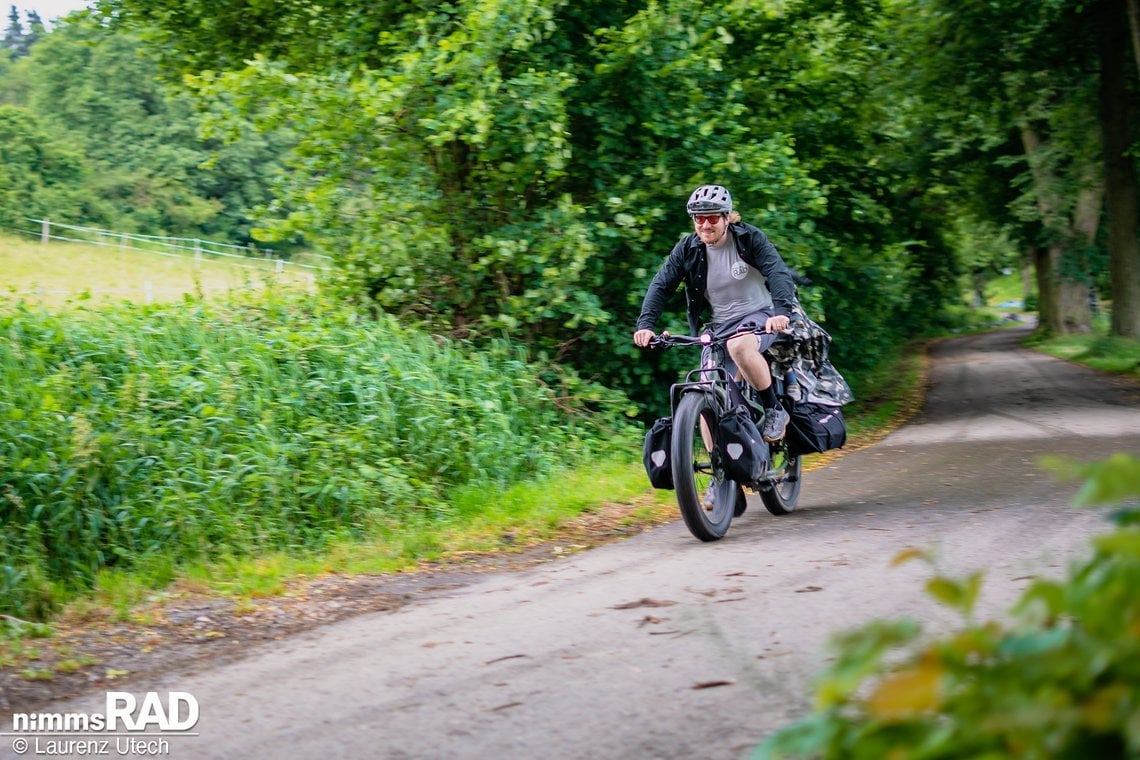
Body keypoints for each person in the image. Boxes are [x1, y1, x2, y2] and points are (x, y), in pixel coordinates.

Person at [633, 184, 796, 443]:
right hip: (719, 326)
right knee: (706, 393)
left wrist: (781, 312)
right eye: (699, 218)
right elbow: (661, 284)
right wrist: (646, 325)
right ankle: (718, 476)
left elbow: (777, 273)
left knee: (739, 347)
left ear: (726, 218)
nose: (705, 225)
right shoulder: (687, 248)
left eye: (711, 218)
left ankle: (774, 409)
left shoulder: (749, 239)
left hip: (759, 316)